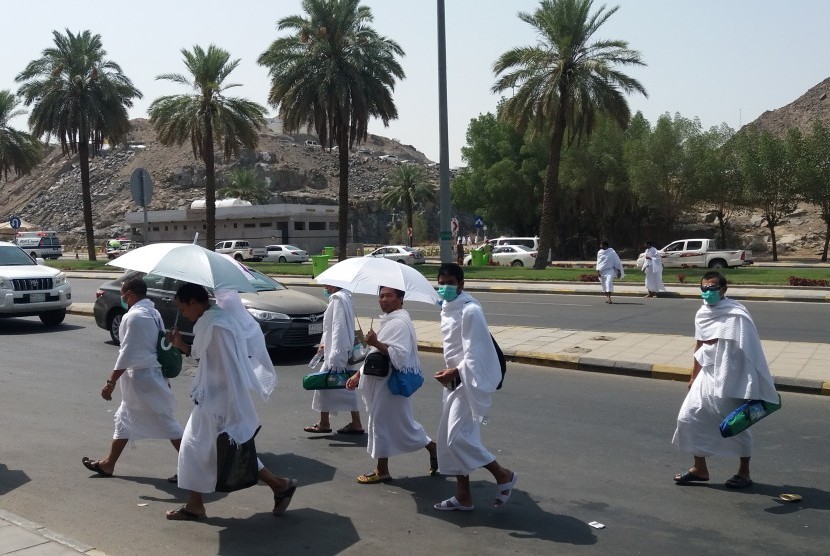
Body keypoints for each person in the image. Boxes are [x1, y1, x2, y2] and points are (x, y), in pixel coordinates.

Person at [165, 283, 296, 520]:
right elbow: (205, 358)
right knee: (219, 453)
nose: (183, 313)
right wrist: (180, 345)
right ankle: (279, 485)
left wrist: (231, 408)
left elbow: (229, 368)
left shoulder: (218, 325)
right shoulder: (211, 322)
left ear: (193, 302)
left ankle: (197, 505)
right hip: (211, 401)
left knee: (197, 450)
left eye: (182, 308)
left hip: (219, 404)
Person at [672, 271, 778, 489]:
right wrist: (693, 375)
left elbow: (749, 350)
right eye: (704, 288)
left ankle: (744, 472)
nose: (708, 292)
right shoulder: (702, 312)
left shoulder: (737, 314)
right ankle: (699, 469)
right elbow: (699, 343)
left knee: (737, 424)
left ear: (723, 289)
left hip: (731, 376)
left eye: (712, 288)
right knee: (689, 417)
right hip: (707, 374)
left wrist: (747, 381)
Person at [432, 263, 518, 511]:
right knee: (452, 441)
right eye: (442, 282)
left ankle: (502, 474)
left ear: (461, 284)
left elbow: (476, 351)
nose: (445, 287)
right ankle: (463, 497)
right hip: (452, 384)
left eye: (450, 283)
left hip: (467, 382)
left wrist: (455, 371)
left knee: (456, 438)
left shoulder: (470, 311)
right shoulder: (447, 308)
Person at [82, 277, 183, 479]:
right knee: (125, 418)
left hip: (143, 378)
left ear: (130, 294)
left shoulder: (134, 317)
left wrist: (110, 382)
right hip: (148, 376)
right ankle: (108, 464)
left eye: (123, 295)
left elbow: (126, 353)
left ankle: (193, 468)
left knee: (166, 422)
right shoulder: (153, 313)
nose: (122, 299)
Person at [345, 286, 438, 484]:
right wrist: (358, 375)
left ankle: (382, 470)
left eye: (388, 296)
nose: (383, 300)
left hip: (389, 385)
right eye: (381, 296)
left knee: (382, 424)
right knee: (401, 424)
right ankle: (432, 447)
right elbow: (374, 356)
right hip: (379, 382)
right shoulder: (390, 320)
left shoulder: (400, 323)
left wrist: (377, 343)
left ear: (400, 299)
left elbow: (400, 357)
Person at [303, 285, 364, 435]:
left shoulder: (338, 299)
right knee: (341, 386)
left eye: (326, 283)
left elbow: (338, 328)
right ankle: (332, 422)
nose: (324, 287)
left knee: (327, 385)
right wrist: (325, 343)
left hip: (337, 353)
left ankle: (328, 423)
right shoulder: (345, 298)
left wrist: (336, 355)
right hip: (339, 350)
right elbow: (333, 328)